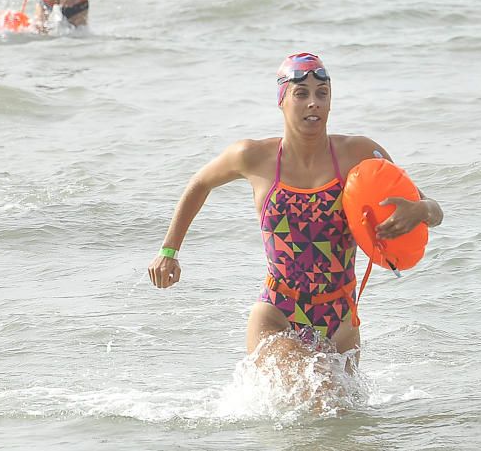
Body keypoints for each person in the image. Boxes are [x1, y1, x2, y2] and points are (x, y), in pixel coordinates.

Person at [147, 53, 443, 367]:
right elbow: (199, 183)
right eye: (301, 94)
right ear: (282, 101)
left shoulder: (358, 153)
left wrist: (420, 210)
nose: (313, 102)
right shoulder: (253, 156)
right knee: (316, 387)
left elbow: (435, 210)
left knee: (342, 414)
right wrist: (168, 251)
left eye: (322, 94)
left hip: (342, 321)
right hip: (277, 314)